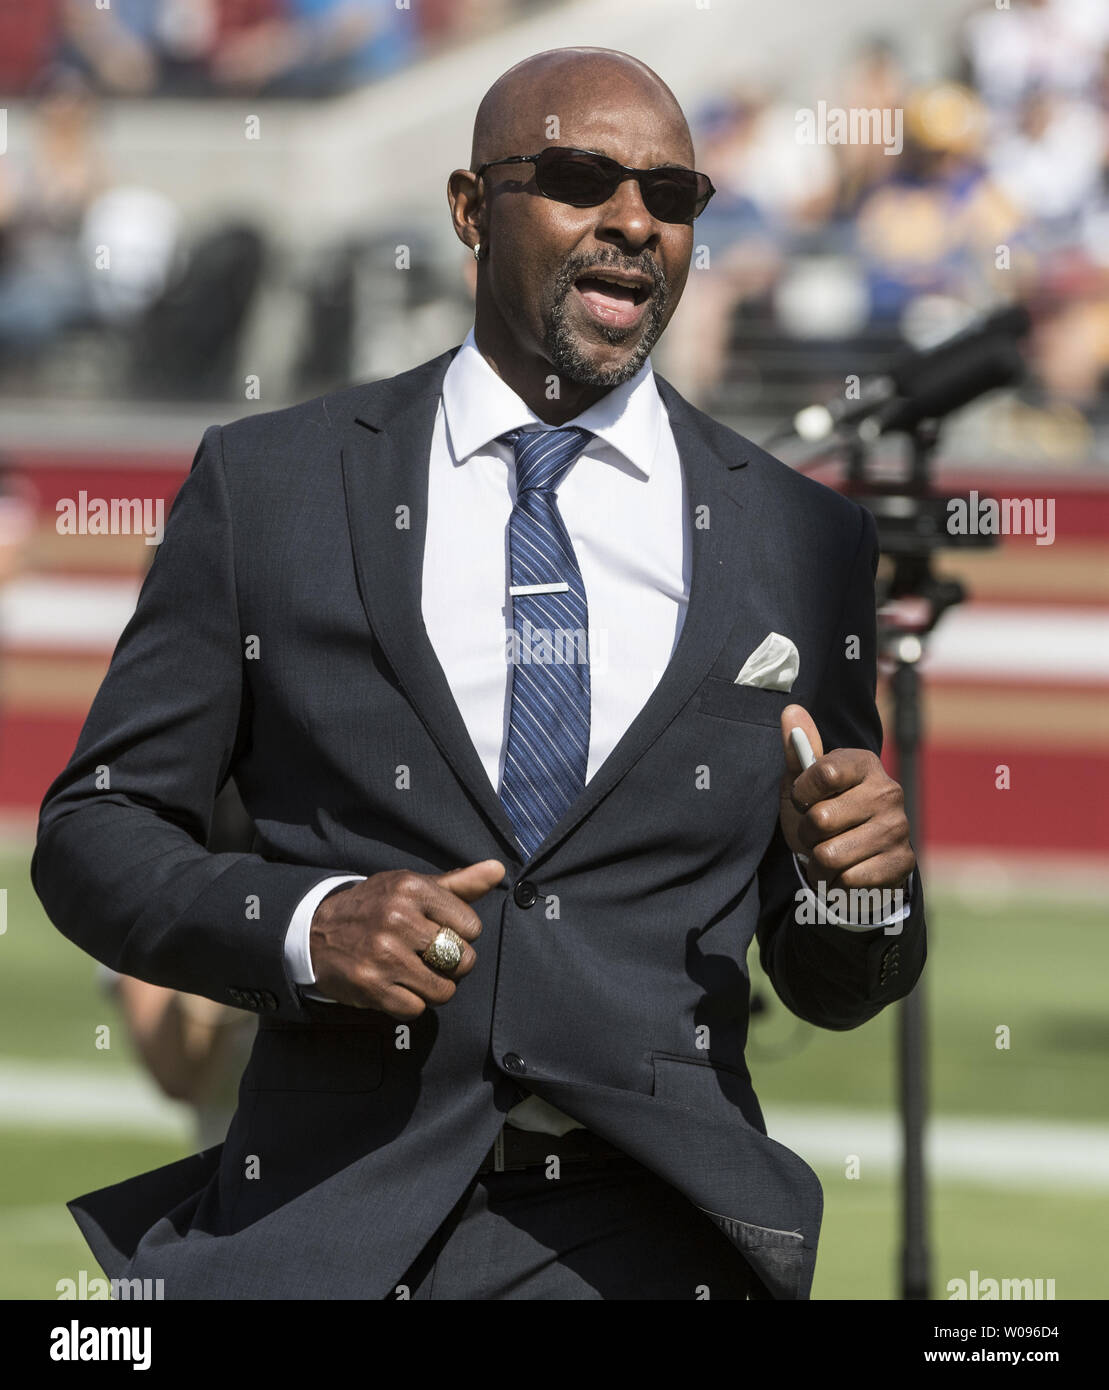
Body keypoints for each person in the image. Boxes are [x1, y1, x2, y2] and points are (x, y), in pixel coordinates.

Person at [33, 46, 924, 1301]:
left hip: (655, 1238)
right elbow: (94, 831)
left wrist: (862, 890)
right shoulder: (270, 486)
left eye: (671, 198)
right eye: (579, 178)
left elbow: (829, 977)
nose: (631, 221)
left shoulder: (802, 538)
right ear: (468, 208)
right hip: (313, 1220)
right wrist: (304, 924)